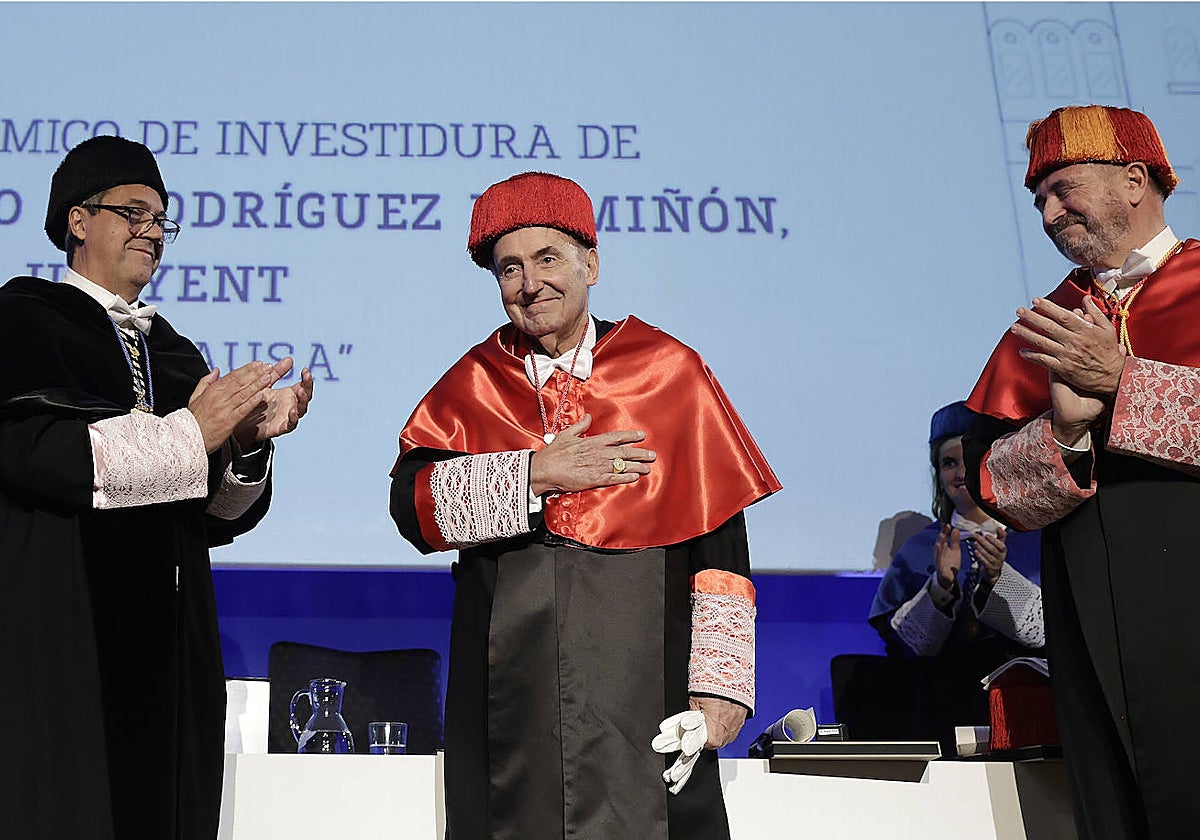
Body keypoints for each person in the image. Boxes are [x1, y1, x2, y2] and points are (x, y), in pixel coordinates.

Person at [389, 171, 780, 840]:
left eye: (547, 258)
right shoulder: (471, 383)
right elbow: (414, 509)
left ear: (590, 263)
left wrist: (720, 691)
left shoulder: (670, 371)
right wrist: (534, 474)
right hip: (514, 690)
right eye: (508, 268)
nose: (529, 283)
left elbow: (721, 547)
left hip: (643, 681)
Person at [0, 136, 314, 840]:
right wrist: (189, 434)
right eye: (133, 212)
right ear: (77, 220)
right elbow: (37, 456)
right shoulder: (24, 321)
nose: (152, 232)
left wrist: (244, 447)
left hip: (172, 645)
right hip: (66, 624)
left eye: (161, 220)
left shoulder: (171, 350)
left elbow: (208, 515)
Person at [963, 105, 1200, 840]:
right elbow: (995, 486)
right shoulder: (1044, 326)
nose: (1048, 211)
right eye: (1038, 199)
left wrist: (1123, 382)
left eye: (1064, 188)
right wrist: (1064, 430)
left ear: (1135, 181)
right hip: (1089, 620)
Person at [868, 401, 1043, 754]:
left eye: (970, 459)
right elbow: (906, 648)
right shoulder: (920, 548)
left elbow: (1051, 631)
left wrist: (997, 578)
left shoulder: (1036, 535)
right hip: (943, 707)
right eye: (949, 463)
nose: (961, 473)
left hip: (1025, 703)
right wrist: (941, 587)